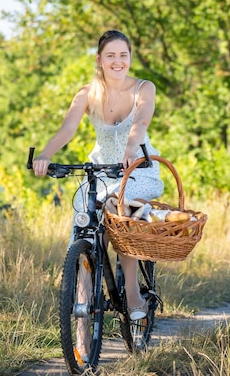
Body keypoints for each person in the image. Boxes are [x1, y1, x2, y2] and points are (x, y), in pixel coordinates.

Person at [32, 30, 164, 323]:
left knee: (121, 214)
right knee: (86, 228)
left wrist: (131, 148)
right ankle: (82, 306)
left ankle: (131, 292)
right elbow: (67, 130)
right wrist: (45, 155)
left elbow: (141, 121)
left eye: (123, 55)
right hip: (102, 169)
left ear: (130, 56)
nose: (118, 61)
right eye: (111, 55)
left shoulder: (144, 87)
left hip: (135, 166)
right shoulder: (87, 93)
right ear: (99, 59)